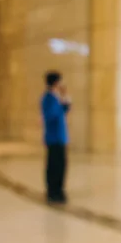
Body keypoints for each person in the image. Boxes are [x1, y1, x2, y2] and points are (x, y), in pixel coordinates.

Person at [41, 71, 71, 204]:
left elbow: (64, 109)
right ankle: (53, 191)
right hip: (53, 138)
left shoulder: (56, 97)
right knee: (54, 166)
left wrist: (64, 97)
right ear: (55, 82)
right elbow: (51, 115)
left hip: (60, 137)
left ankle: (59, 189)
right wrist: (60, 103)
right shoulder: (48, 98)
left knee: (61, 165)